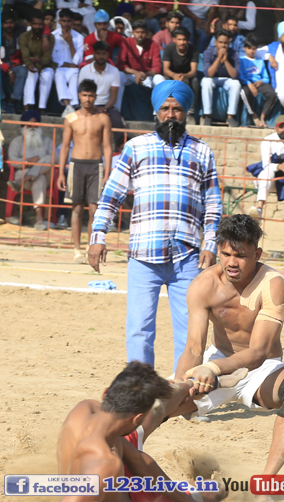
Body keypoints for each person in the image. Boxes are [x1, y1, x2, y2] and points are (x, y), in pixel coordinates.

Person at [173, 214, 284, 502]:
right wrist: (181, 387)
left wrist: (213, 370)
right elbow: (194, 347)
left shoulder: (273, 284)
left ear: (257, 254)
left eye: (240, 256)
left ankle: (264, 487)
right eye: (226, 254)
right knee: (154, 402)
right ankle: (117, 475)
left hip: (261, 369)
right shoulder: (203, 285)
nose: (232, 262)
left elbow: (259, 351)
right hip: (218, 359)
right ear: (218, 250)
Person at [89, 81, 221, 370]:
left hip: (187, 256)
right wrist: (98, 237)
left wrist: (210, 244)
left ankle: (184, 389)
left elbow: (213, 205)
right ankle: (140, 389)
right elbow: (111, 196)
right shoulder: (136, 147)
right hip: (143, 254)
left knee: (191, 329)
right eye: (165, 109)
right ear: (156, 112)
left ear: (186, 112)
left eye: (177, 109)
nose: (170, 115)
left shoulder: (202, 152)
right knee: (139, 328)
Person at [42, 361, 229, 502]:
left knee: (156, 410)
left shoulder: (85, 408)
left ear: (106, 393)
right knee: (217, 489)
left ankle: (192, 384)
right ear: (136, 419)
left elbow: (139, 461)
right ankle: (196, 386)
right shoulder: (103, 464)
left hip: (115, 481)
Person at [58, 78, 112, 261]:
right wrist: (61, 172)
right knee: (77, 208)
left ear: (96, 96)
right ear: (79, 96)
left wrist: (107, 172)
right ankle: (76, 249)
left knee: (94, 209)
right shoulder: (71, 118)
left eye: (91, 95)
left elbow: (107, 147)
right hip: (76, 165)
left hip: (96, 165)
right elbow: (65, 147)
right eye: (84, 95)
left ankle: (91, 246)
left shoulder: (103, 118)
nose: (87, 99)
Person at [5, 108, 52, 229]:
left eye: (35, 125)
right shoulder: (17, 141)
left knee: (48, 158)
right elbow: (12, 160)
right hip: (25, 174)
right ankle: (39, 218)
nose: (32, 128)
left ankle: (22, 180)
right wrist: (27, 162)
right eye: (29, 125)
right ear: (23, 126)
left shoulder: (47, 141)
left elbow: (55, 159)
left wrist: (39, 160)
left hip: (36, 178)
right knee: (39, 178)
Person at [77, 40, 125, 127]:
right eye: (98, 53)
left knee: (117, 121)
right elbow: (82, 94)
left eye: (104, 54)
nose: (101, 56)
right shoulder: (85, 70)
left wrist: (104, 109)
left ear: (108, 55)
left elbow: (113, 97)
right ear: (94, 54)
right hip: (88, 104)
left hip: (107, 106)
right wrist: (95, 108)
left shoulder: (114, 71)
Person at [156, 23, 198, 116]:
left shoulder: (193, 49)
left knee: (195, 81)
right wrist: (174, 75)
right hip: (171, 75)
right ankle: (162, 109)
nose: (182, 42)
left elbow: (193, 71)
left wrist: (183, 76)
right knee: (163, 80)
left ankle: (190, 111)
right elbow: (165, 69)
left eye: (184, 39)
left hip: (187, 76)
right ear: (174, 39)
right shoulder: (169, 48)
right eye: (179, 39)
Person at [199, 29, 240, 126]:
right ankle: (208, 115)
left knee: (236, 84)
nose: (223, 45)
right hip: (213, 78)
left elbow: (235, 75)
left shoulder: (234, 53)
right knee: (205, 81)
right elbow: (208, 74)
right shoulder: (208, 52)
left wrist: (225, 60)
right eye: (220, 42)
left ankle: (230, 116)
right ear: (215, 42)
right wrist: (218, 58)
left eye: (225, 43)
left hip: (227, 79)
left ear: (229, 43)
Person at [237, 35, 276, 128]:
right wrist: (249, 84)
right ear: (244, 48)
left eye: (254, 49)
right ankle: (254, 115)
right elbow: (240, 75)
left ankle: (262, 117)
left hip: (258, 82)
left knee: (272, 94)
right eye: (249, 48)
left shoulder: (260, 61)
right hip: (246, 82)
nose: (252, 51)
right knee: (244, 92)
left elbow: (266, 77)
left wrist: (260, 81)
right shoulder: (241, 60)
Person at [19, 8, 54, 110]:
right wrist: (30, 63)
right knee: (32, 73)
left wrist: (39, 60)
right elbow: (25, 56)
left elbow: (47, 58)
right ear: (30, 24)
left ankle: (42, 107)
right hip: (31, 64)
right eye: (35, 24)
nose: (37, 27)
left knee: (47, 75)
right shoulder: (24, 37)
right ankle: (28, 105)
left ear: (43, 24)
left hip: (45, 65)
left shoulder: (50, 38)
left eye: (40, 24)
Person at [52, 9, 85, 107]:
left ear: (72, 22)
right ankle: (68, 106)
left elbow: (77, 61)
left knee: (74, 78)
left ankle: (72, 106)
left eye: (69, 21)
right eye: (64, 21)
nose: (66, 24)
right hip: (60, 68)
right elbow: (53, 59)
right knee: (59, 76)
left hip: (73, 69)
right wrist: (68, 64)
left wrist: (70, 43)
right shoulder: (53, 36)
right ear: (59, 21)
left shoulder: (79, 37)